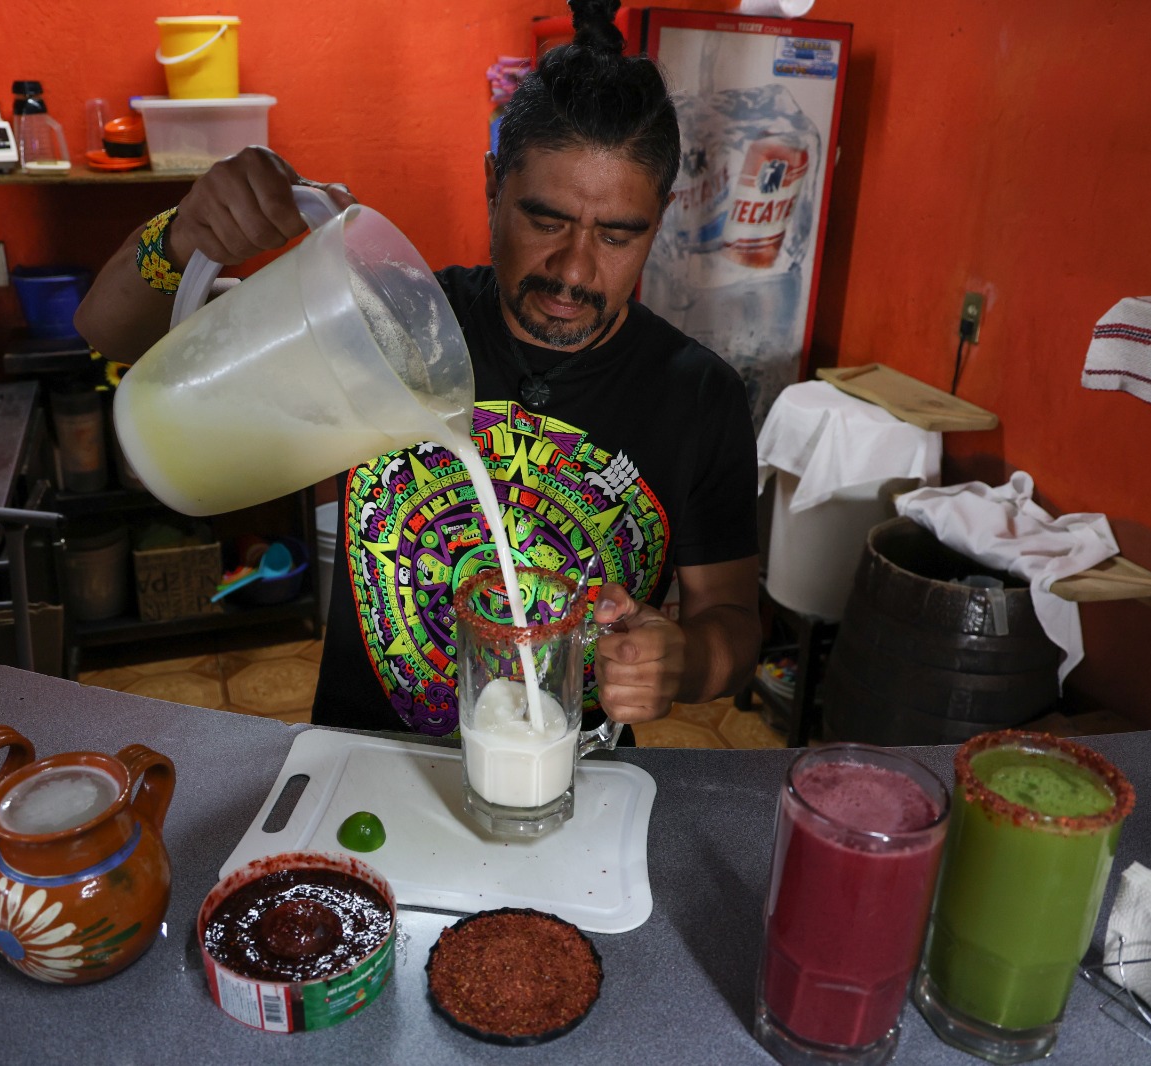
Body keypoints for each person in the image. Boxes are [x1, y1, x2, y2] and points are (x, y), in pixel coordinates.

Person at [76, 0, 760, 741]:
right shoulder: (389, 320)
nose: (573, 270)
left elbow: (732, 620)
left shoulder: (700, 396)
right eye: (545, 220)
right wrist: (180, 236)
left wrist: (684, 659)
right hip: (364, 760)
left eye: (618, 235)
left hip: (564, 780)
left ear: (657, 219)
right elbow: (106, 331)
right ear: (493, 184)